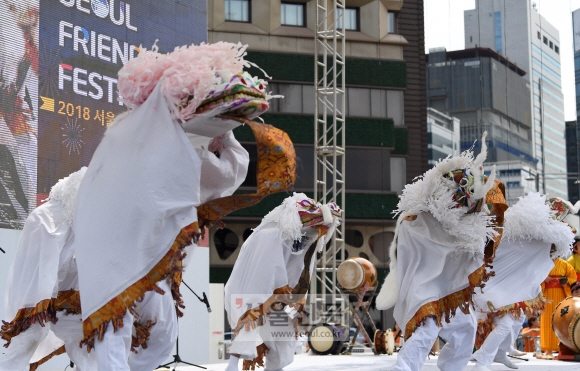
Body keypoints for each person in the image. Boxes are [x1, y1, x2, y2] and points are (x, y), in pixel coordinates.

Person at [375, 133, 497, 371]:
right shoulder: (416, 220)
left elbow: (471, 251)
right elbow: (406, 249)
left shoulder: (464, 229)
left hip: (449, 288)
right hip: (424, 288)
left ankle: (453, 367)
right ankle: (404, 368)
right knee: (428, 327)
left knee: (466, 326)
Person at [224, 193, 341, 371]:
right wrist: (277, 290)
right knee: (252, 313)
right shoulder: (272, 233)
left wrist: (296, 297)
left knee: (284, 330)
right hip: (257, 285)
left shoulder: (309, 238)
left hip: (281, 289)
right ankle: (232, 366)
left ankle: (275, 367)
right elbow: (265, 271)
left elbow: (302, 267)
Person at [0, 168, 96, 371]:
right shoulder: (48, 221)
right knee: (33, 331)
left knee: (81, 333)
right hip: (51, 240)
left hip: (72, 256)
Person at [471, 192, 574, 371]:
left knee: (512, 321)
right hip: (499, 284)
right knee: (502, 324)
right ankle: (482, 357)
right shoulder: (526, 233)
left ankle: (496, 355)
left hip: (513, 286)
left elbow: (555, 247)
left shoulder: (532, 234)